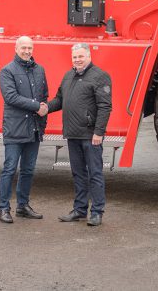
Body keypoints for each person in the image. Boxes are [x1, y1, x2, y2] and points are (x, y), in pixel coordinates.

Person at [46, 42, 112, 227]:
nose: (77, 60)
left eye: (81, 56)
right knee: (78, 174)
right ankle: (80, 210)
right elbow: (60, 99)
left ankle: (97, 212)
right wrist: (45, 108)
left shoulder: (100, 76)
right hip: (73, 135)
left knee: (95, 174)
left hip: (91, 136)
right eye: (75, 57)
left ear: (89, 56)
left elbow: (105, 107)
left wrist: (99, 132)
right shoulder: (68, 76)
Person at [0, 35, 49, 224]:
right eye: (23, 48)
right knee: (9, 169)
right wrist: (37, 107)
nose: (27, 51)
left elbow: (44, 97)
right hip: (15, 128)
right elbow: (11, 97)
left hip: (33, 129)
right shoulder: (7, 71)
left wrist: (42, 122)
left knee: (28, 170)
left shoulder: (39, 70)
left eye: (30, 48)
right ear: (16, 48)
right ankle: (3, 208)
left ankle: (23, 206)